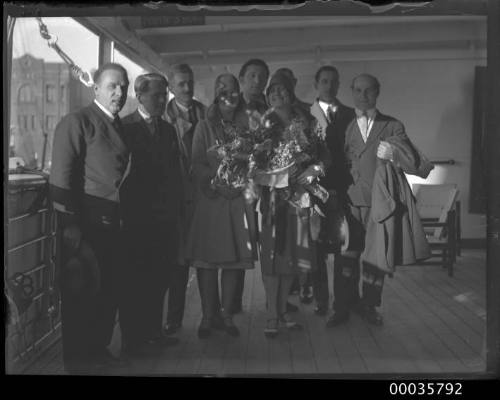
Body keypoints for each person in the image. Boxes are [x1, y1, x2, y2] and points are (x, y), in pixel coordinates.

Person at [328, 73, 430, 328]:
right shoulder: (341, 124)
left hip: (379, 205)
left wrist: (394, 154)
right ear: (351, 92)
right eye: (358, 90)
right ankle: (342, 306)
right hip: (348, 202)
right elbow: (330, 163)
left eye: (368, 91)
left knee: (376, 259)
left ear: (377, 92)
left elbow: (419, 165)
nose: (363, 96)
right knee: (346, 258)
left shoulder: (393, 126)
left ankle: (370, 305)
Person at [49, 63, 130, 373]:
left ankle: (98, 349)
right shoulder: (77, 122)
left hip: (115, 227)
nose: (119, 93)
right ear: (95, 88)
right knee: (81, 295)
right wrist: (69, 225)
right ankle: (77, 362)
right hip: (85, 229)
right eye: (112, 86)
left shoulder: (118, 125)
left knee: (108, 293)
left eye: (123, 86)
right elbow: (61, 178)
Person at [257, 73, 331, 338]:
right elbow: (255, 165)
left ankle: (284, 311)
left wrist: (315, 169)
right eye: (272, 90)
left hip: (299, 199)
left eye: (282, 89)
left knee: (293, 258)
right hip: (274, 200)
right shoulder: (263, 123)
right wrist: (275, 176)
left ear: (291, 91)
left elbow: (324, 156)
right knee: (272, 258)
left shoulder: (307, 121)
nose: (277, 94)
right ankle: (271, 314)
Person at [186, 73, 258, 339]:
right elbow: (196, 163)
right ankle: (207, 316)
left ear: (239, 93)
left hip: (237, 202)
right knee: (207, 263)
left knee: (232, 263)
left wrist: (244, 181)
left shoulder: (248, 126)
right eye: (222, 89)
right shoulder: (204, 126)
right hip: (212, 200)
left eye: (233, 89)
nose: (228, 93)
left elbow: (256, 161)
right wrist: (215, 182)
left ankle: (227, 316)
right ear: (216, 93)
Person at [120, 73, 182, 355]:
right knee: (134, 279)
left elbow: (173, 174)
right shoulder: (124, 127)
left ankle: (153, 333)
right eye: (156, 95)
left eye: (164, 95)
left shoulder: (169, 130)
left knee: (160, 276)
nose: (162, 100)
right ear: (139, 94)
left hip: (164, 219)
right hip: (135, 219)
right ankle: (133, 340)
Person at [309, 65, 356, 317]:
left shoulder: (350, 114)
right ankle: (321, 299)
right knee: (316, 248)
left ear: (339, 85)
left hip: (342, 190)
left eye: (334, 82)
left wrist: (339, 188)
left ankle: (342, 301)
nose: (329, 86)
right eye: (325, 81)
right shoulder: (306, 115)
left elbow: (348, 156)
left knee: (342, 248)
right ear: (316, 84)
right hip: (315, 190)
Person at [163, 63, 206, 335]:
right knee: (178, 263)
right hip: (176, 198)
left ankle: (210, 316)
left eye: (190, 82)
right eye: (181, 84)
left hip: (203, 197)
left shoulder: (204, 112)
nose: (187, 88)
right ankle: (174, 318)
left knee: (206, 260)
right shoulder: (164, 116)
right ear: (171, 88)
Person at [231, 58, 270, 314]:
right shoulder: (230, 108)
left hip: (268, 186)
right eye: (252, 76)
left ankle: (276, 299)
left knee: (269, 240)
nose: (258, 81)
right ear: (242, 79)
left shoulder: (271, 108)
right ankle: (232, 300)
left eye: (262, 77)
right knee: (239, 240)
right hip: (239, 186)